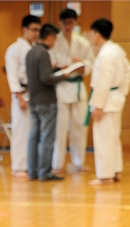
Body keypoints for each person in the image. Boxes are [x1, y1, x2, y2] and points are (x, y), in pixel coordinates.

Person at [87, 18, 130, 186]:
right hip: (115, 98)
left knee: (103, 138)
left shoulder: (106, 54)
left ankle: (105, 176)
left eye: (92, 34)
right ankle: (115, 170)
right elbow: (128, 70)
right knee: (113, 137)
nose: (92, 37)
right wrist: (122, 92)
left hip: (106, 101)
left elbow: (103, 81)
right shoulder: (116, 50)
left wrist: (98, 106)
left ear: (97, 34)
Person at [51, 8, 94, 174]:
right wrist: (58, 68)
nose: (67, 26)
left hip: (77, 88)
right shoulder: (55, 42)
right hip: (61, 87)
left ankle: (78, 162)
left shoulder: (82, 42)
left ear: (75, 22)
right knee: (60, 128)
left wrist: (82, 64)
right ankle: (57, 164)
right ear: (60, 23)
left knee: (79, 127)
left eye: (70, 23)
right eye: (64, 23)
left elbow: (91, 63)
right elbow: (51, 63)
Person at [25, 24, 69, 182]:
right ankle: (44, 172)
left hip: (34, 100)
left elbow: (38, 75)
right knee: (47, 138)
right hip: (46, 102)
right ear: (50, 37)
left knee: (33, 138)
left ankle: (32, 171)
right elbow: (45, 78)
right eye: (55, 39)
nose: (55, 42)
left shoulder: (31, 52)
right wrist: (64, 75)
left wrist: (56, 70)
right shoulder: (44, 53)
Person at [4, 15, 40, 179]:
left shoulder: (35, 48)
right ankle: (18, 167)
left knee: (32, 131)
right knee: (20, 131)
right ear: (24, 29)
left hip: (34, 94)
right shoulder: (14, 49)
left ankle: (31, 165)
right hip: (21, 94)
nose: (36, 33)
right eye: (33, 30)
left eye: (38, 30)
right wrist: (18, 96)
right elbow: (12, 76)